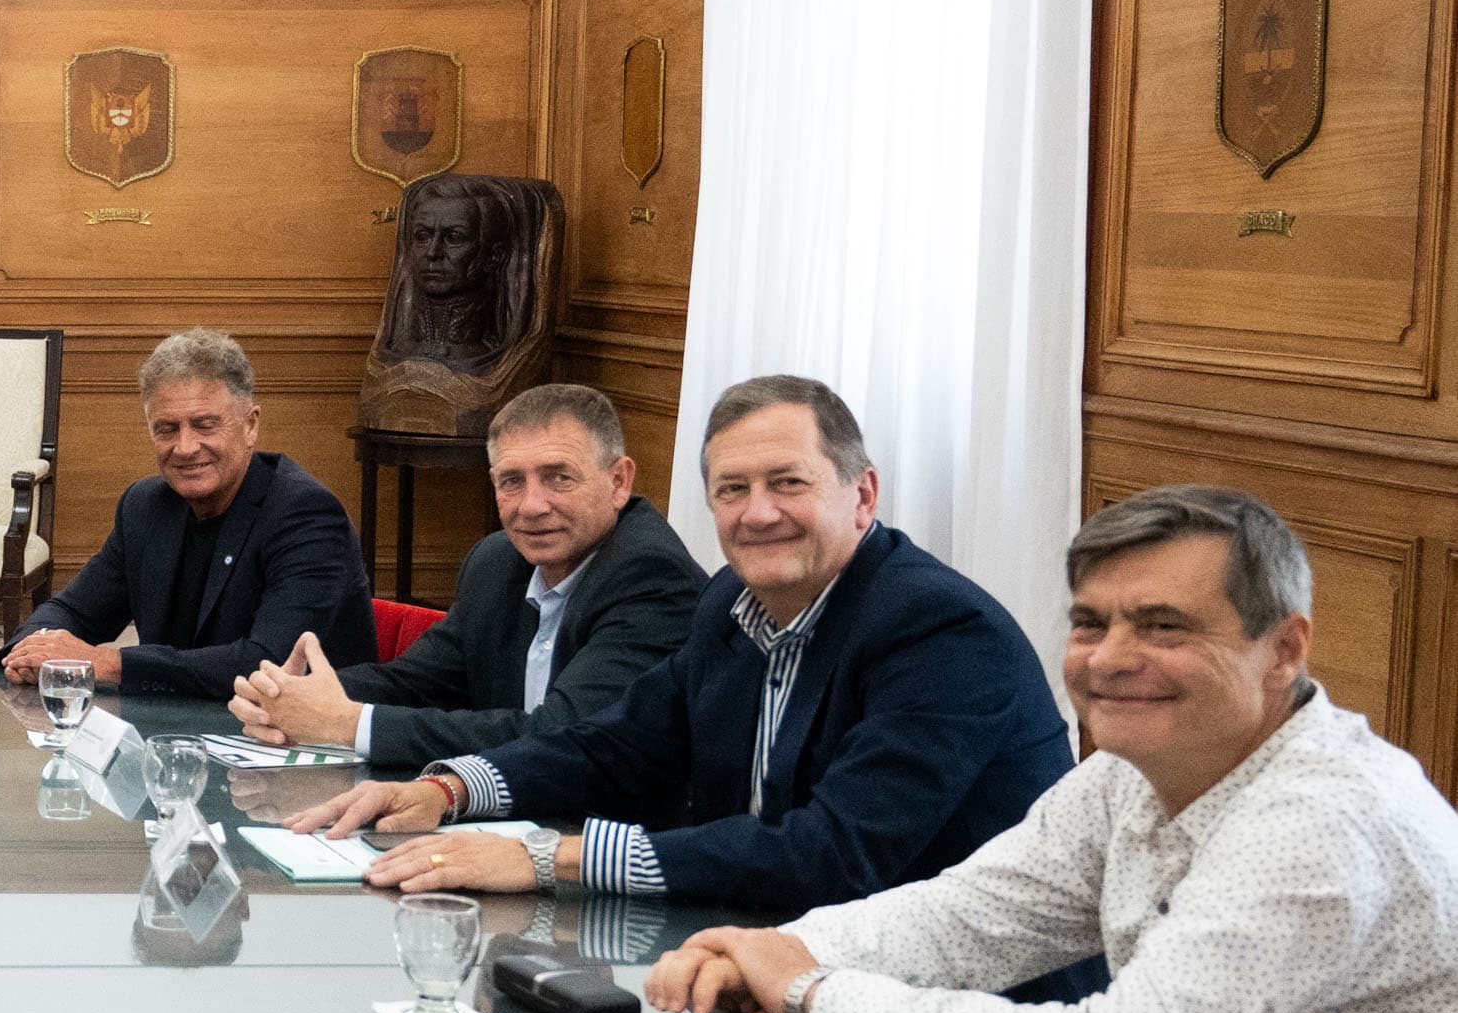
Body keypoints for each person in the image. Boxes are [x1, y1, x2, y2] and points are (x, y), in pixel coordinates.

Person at [646, 485, 1458, 1013]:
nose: (1110, 657)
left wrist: (809, 992)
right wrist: (773, 950)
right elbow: (970, 917)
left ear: (1282, 649)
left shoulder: (1320, 824)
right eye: (1089, 623)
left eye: (1162, 626)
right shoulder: (1135, 769)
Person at [287, 375, 1070, 919]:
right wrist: (449, 790)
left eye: (786, 483)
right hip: (767, 946)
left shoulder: (938, 632)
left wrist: (542, 859)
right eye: (732, 489)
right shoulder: (731, 601)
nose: (756, 513)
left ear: (860, 494)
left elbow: (831, 854)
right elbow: (616, 743)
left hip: (955, 1001)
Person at [231, 382, 703, 769]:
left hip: (610, 841)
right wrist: (288, 696)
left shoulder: (651, 576)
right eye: (511, 481)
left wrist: (346, 723)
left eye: (559, 477)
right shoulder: (497, 562)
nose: (532, 506)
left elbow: (563, 733)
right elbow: (417, 682)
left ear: (619, 481)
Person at [0, 327, 375, 699]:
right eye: (167, 429)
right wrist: (34, 648)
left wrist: (110, 664)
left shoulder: (306, 514)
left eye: (205, 425)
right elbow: (73, 610)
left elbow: (270, 664)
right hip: (177, 737)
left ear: (250, 425)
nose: (185, 447)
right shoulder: (145, 506)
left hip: (302, 746)